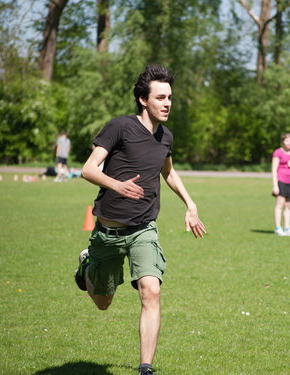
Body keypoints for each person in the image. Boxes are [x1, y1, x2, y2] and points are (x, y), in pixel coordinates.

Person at [74, 64, 207, 375]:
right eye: (160, 97)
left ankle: (145, 367)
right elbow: (88, 169)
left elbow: (169, 171)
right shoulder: (120, 127)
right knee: (103, 302)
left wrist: (190, 204)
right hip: (108, 231)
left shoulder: (166, 137)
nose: (167, 103)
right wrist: (116, 185)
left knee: (152, 289)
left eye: (170, 97)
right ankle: (86, 266)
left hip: (143, 229)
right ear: (143, 100)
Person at [271, 133, 290, 236]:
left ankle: (287, 228)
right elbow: (274, 170)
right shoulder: (278, 152)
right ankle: (278, 228)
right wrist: (275, 185)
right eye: (287, 141)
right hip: (281, 180)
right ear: (282, 142)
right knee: (279, 205)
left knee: (288, 205)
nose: (289, 143)